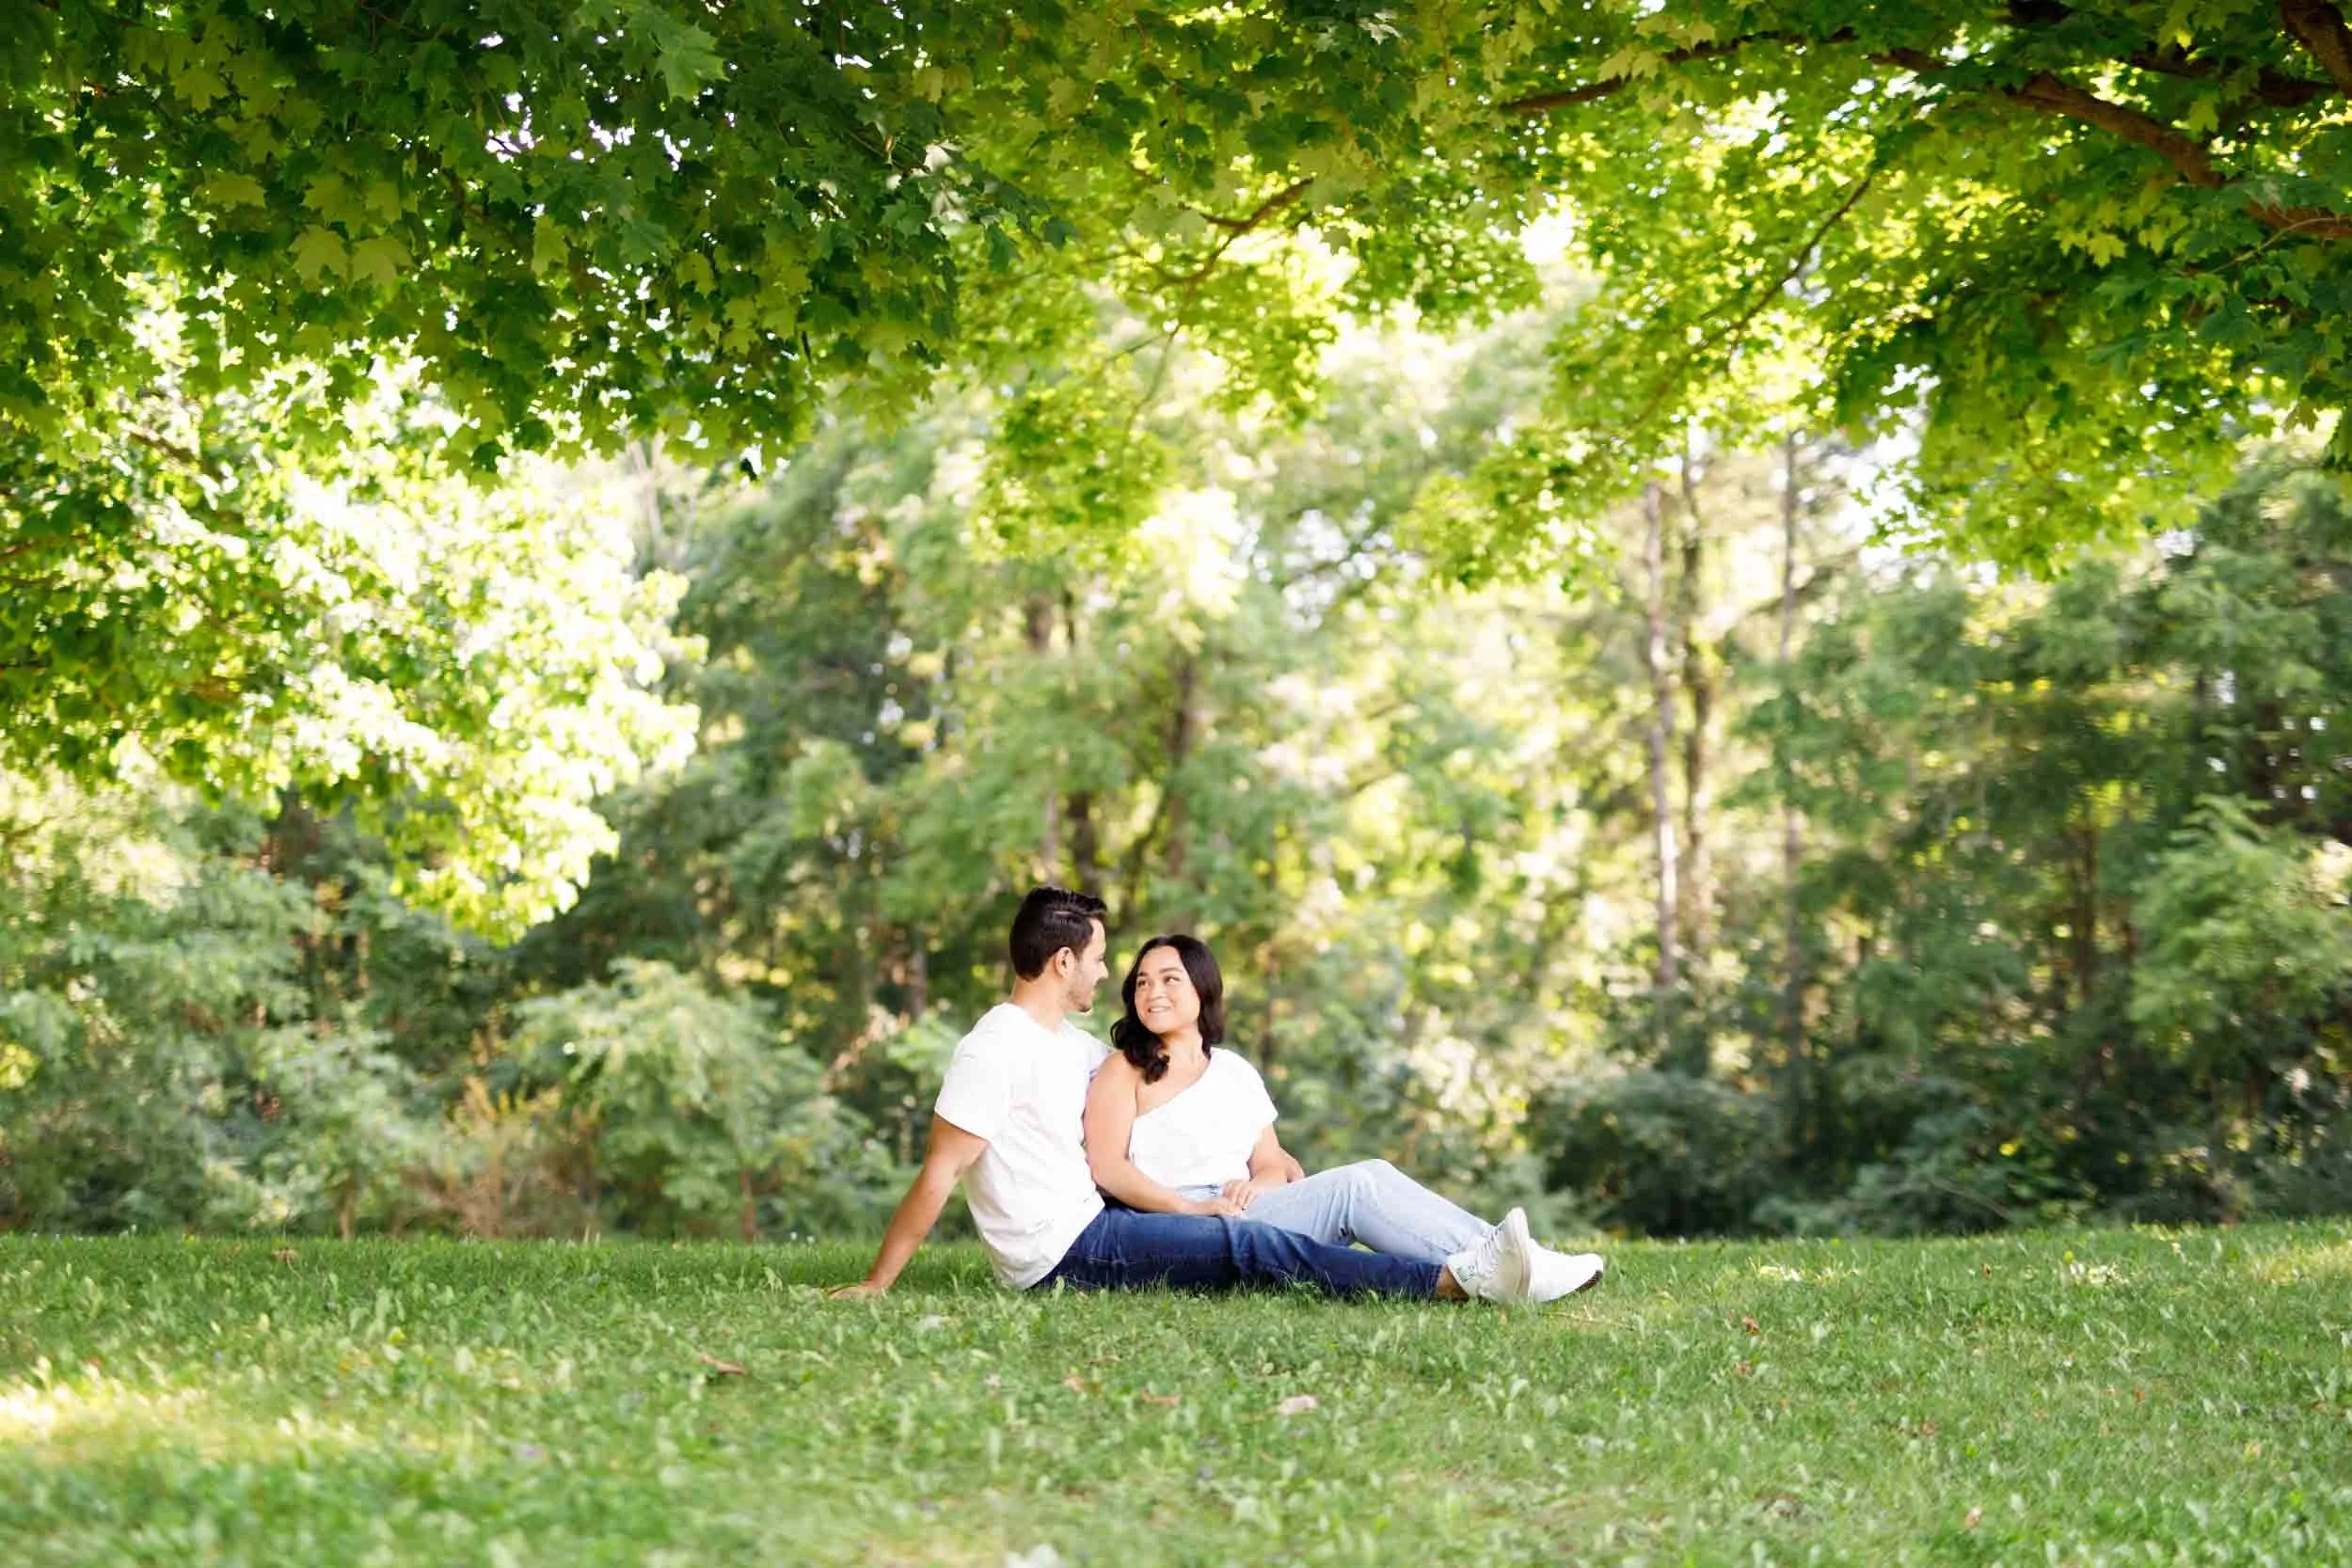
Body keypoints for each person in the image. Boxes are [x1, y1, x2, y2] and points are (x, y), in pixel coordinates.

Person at [832, 887, 1550, 1303]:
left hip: (1098, 1225)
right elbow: (939, 1172)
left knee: (1257, 1229)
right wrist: (876, 1282)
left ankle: (1500, 1260)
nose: (1106, 972)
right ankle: (1443, 1282)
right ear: (1061, 961)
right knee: (1246, 1246)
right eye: (1099, 960)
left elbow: (1154, 1074)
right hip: (1061, 1254)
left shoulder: (1071, 1045)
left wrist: (1264, 1167)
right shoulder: (993, 1047)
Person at [1085, 933, 1605, 1302]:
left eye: (1169, 979)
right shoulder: (1123, 1069)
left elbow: (1272, 1161)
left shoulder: (1234, 1072)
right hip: (1180, 1226)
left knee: (1367, 1178)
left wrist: (1257, 1186)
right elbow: (1107, 1168)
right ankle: (1506, 1262)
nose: (1152, 993)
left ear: (1202, 988)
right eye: (1143, 983)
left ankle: (1510, 1259)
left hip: (1248, 1212)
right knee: (1359, 1185)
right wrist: (1192, 1209)